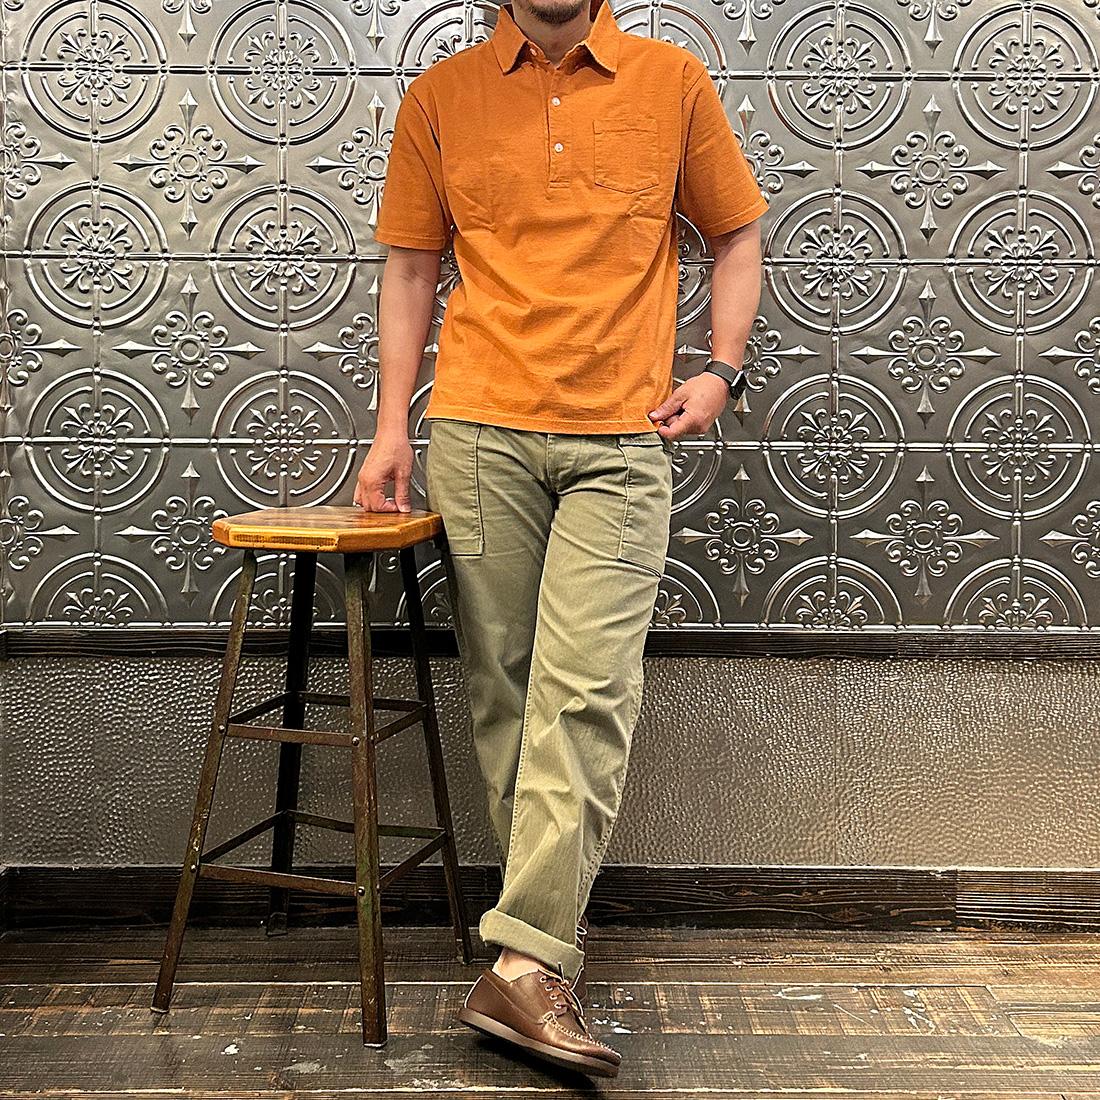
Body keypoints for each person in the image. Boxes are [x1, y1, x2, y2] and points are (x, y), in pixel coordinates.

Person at [355, 0, 767, 1078]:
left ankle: (525, 959)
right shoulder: (441, 95)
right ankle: (533, 955)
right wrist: (392, 425)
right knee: (505, 689)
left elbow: (734, 233)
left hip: (621, 439)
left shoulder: (671, 81)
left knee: (584, 690)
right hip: (476, 429)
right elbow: (411, 267)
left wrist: (721, 368)